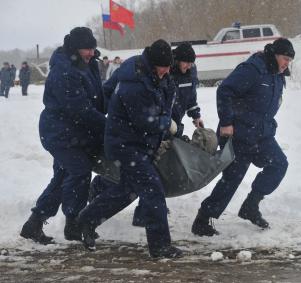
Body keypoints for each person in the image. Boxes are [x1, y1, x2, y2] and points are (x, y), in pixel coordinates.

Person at [77, 39, 182, 258]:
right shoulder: (133, 83)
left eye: (168, 67)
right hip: (125, 145)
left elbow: (166, 100)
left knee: (127, 190)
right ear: (153, 64)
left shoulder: (157, 75)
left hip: (140, 144)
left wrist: (172, 119)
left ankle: (86, 220)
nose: (166, 71)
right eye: (163, 67)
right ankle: (160, 246)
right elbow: (144, 119)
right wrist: (167, 124)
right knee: (153, 189)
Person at [191, 38, 295, 236]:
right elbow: (224, 90)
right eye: (284, 59)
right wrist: (227, 122)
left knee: (279, 164)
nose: (286, 64)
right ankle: (203, 219)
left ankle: (251, 205)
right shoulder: (253, 69)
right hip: (238, 133)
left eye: (289, 61)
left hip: (261, 134)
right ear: (274, 55)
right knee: (232, 178)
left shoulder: (277, 74)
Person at [20, 27, 106, 244]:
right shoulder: (64, 71)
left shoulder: (89, 63)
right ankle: (73, 222)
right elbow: (79, 109)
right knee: (79, 172)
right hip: (59, 133)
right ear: (75, 48)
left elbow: (97, 96)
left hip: (76, 133)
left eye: (92, 48)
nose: (90, 53)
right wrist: (107, 125)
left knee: (63, 177)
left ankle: (35, 222)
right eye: (86, 49)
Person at [170, 42, 203, 137]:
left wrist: (196, 116)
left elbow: (191, 97)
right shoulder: (167, 72)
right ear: (177, 61)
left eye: (191, 63)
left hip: (177, 121)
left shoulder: (191, 72)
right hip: (163, 123)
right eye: (187, 62)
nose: (189, 66)